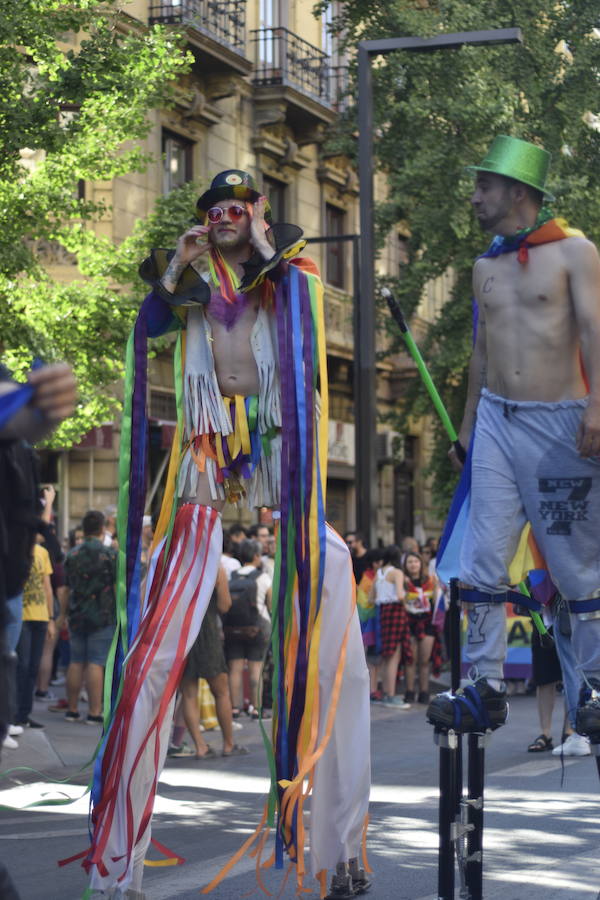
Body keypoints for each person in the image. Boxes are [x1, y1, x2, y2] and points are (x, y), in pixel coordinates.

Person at [85, 171, 370, 900]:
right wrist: (177, 264)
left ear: (259, 216)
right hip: (209, 449)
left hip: (281, 443)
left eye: (236, 210)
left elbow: (302, 324)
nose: (223, 219)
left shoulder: (292, 279)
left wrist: (271, 250)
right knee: (149, 657)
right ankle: (117, 868)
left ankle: (342, 852)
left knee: (333, 636)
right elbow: (146, 334)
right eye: (213, 212)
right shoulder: (190, 286)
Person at [428, 135, 600, 739]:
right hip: (498, 422)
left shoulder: (577, 252)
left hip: (560, 422)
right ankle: (485, 685)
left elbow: (596, 332)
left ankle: (597, 683)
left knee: (578, 564)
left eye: (484, 186)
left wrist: (599, 407)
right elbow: (480, 357)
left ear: (517, 192)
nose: (473, 198)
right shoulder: (484, 267)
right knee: (481, 559)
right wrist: (470, 430)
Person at [172, 565, 247, 758]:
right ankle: (229, 744)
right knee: (221, 692)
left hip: (182, 636)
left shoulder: (176, 563)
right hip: (207, 634)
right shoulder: (214, 566)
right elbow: (224, 605)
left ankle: (200, 746)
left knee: (188, 694)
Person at [63, 510, 116, 724]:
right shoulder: (110, 554)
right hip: (102, 614)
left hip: (77, 613)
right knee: (96, 663)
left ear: (83, 529)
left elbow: (66, 588)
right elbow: (115, 586)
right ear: (102, 528)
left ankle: (72, 710)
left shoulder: (72, 554)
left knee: (76, 662)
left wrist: (62, 615)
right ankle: (94, 712)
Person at [223, 538, 271, 718]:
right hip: (257, 628)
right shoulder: (263, 577)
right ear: (257, 555)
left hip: (233, 628)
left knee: (234, 668)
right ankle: (255, 708)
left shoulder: (232, 576)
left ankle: (235, 707)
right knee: (255, 668)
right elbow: (271, 605)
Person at [15, 530, 54, 728]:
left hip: (40, 617)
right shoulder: (15, 550)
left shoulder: (42, 552)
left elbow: (47, 587)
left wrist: (51, 618)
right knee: (21, 666)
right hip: (20, 616)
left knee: (32, 667)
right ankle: (14, 713)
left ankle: (24, 713)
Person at [370, 545, 411, 708]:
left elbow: (371, 598)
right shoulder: (397, 572)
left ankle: (387, 692)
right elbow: (400, 595)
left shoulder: (378, 573)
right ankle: (391, 694)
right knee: (394, 655)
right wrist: (409, 600)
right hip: (395, 611)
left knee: (387, 655)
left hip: (382, 612)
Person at [402, 551, 441, 705]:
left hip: (427, 622)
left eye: (416, 561)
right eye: (410, 562)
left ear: (421, 564)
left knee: (425, 661)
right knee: (410, 659)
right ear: (405, 565)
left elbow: (437, 601)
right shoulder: (402, 581)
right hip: (409, 621)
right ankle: (410, 691)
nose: (413, 564)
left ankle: (424, 692)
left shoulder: (431, 580)